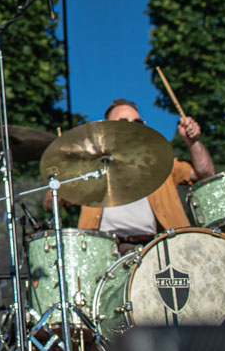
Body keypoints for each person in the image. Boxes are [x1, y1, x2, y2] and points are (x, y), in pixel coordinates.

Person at [47, 98, 215, 252]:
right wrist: (63, 169)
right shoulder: (90, 168)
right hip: (102, 251)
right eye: (123, 122)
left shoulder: (160, 162)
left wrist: (192, 142)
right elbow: (50, 203)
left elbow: (205, 173)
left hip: (156, 247)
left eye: (137, 122)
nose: (132, 126)